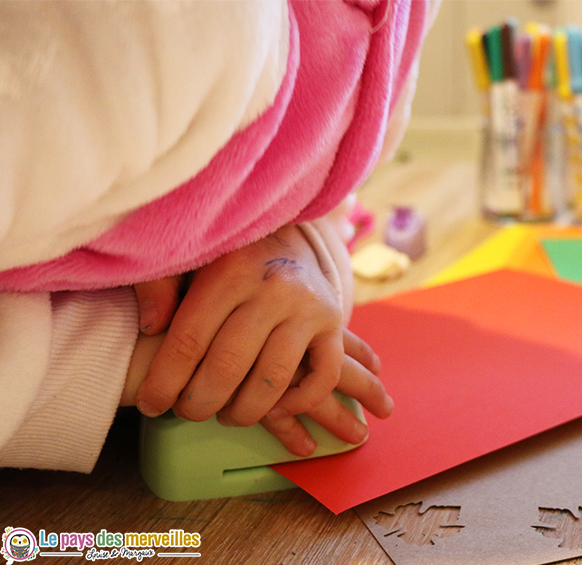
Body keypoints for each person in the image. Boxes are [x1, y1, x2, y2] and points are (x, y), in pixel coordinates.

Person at [0, 0, 436, 472]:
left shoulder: (400, 20)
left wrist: (293, 247)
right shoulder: (160, 26)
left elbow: (334, 184)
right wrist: (122, 353)